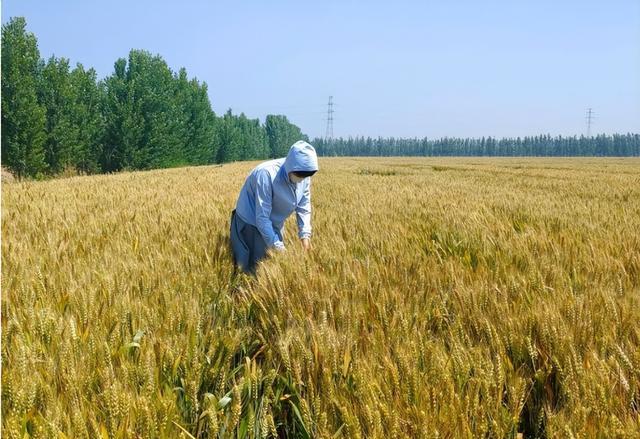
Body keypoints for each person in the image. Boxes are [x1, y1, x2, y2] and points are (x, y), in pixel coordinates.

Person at [230, 140, 319, 274]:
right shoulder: (266, 174)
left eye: (307, 175)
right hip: (250, 222)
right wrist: (279, 247)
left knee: (272, 265)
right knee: (252, 267)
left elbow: (304, 207)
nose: (302, 179)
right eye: (300, 175)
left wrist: (305, 237)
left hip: (274, 222)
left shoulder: (304, 174)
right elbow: (262, 218)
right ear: (291, 166)